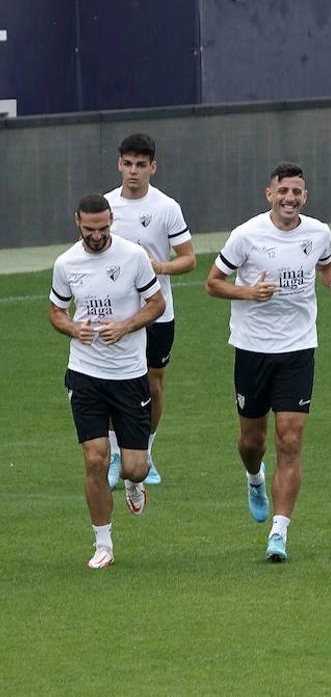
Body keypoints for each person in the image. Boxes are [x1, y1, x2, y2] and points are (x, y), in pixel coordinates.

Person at [204, 162, 331, 563]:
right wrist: (249, 293)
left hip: (298, 349)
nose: (290, 198)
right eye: (283, 191)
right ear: (269, 194)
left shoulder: (318, 233)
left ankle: (279, 532)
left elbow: (327, 268)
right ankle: (254, 477)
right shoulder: (246, 235)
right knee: (253, 442)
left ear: (305, 196)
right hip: (252, 349)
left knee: (290, 441)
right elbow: (213, 282)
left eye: (297, 192)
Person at [49, 193, 165, 569]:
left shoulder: (133, 257)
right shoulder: (66, 263)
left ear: (111, 220)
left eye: (102, 228)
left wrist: (127, 325)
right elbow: (57, 310)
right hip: (85, 374)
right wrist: (71, 328)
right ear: (77, 223)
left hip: (129, 375)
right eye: (89, 229)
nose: (96, 236)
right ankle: (104, 544)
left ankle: (134, 482)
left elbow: (156, 304)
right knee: (95, 460)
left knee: (135, 466)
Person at [103, 133, 196, 488]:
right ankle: (115, 454)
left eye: (141, 165)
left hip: (159, 312)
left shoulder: (166, 208)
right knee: (115, 383)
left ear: (152, 168)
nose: (133, 171)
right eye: (128, 164)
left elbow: (188, 259)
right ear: (119, 165)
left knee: (154, 386)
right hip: (119, 316)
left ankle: (146, 451)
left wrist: (159, 268)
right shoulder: (107, 206)